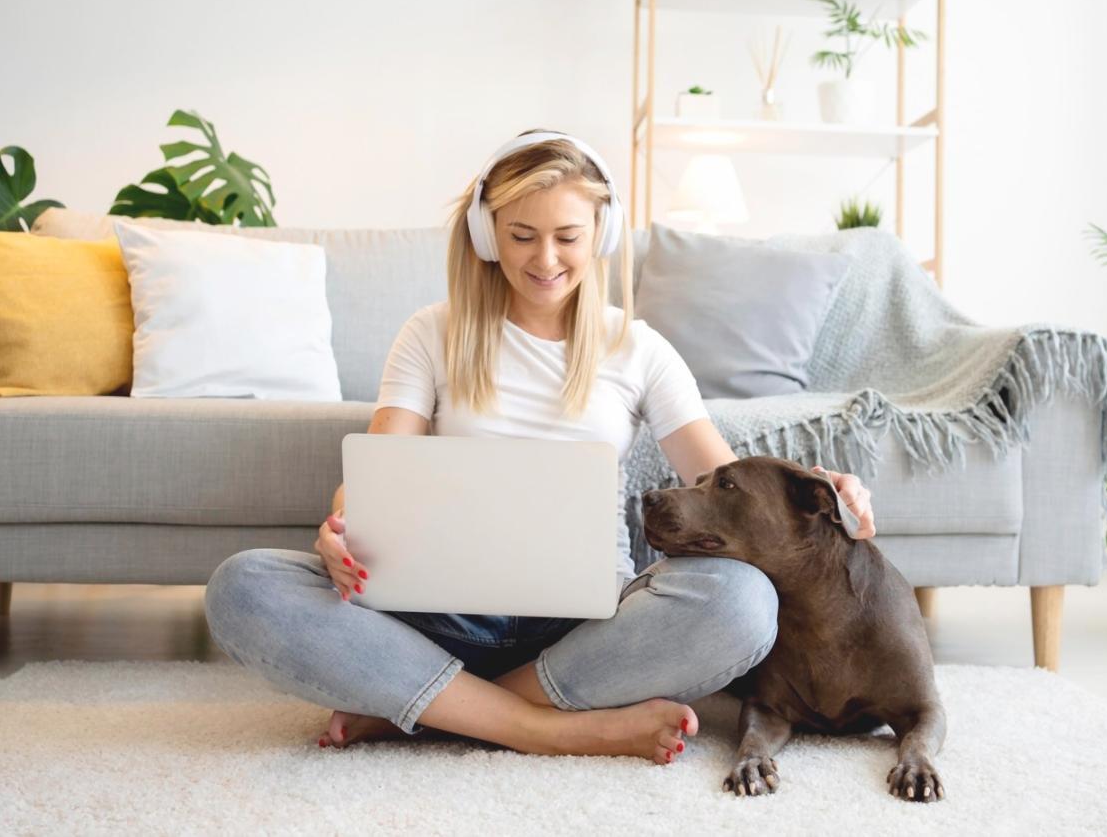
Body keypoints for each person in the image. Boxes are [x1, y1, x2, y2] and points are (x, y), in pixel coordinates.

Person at [203, 129, 875, 765]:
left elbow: (725, 483)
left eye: (566, 237)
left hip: (586, 632)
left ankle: (431, 706)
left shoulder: (638, 348)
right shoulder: (431, 333)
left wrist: (822, 491)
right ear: (486, 233)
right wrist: (342, 527)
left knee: (742, 602)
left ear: (601, 236)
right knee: (246, 586)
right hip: (436, 616)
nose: (545, 260)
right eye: (522, 235)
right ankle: (542, 730)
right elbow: (381, 470)